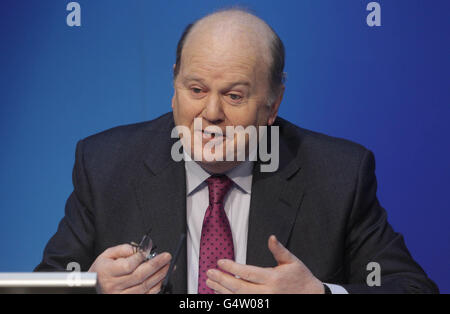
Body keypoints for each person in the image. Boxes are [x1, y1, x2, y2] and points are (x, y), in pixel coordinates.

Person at [35, 8, 438, 294]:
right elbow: (43, 285)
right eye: (196, 90)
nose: (210, 113)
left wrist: (321, 295)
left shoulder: (338, 175)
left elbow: (413, 288)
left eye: (234, 95)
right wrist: (89, 287)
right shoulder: (106, 165)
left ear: (273, 104)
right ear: (174, 85)